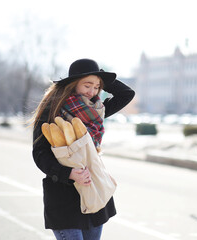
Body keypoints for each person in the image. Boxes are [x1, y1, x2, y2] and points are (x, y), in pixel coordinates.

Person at [31, 58, 135, 240]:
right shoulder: (53, 109)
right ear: (72, 85)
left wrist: (99, 75)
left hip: (93, 191)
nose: (92, 91)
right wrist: (68, 173)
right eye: (87, 85)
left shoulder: (96, 109)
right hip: (64, 197)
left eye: (97, 87)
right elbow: (39, 154)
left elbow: (127, 94)